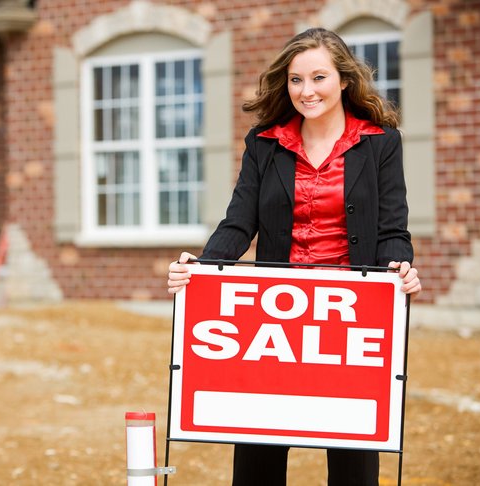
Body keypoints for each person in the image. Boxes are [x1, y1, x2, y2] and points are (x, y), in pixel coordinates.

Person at [167, 28, 421, 486]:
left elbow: (392, 231)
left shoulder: (382, 143)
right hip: (274, 317)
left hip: (348, 319)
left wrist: (399, 268)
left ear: (343, 80)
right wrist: (201, 269)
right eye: (296, 80)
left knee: (353, 458)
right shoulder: (264, 143)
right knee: (258, 452)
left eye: (319, 77)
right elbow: (239, 224)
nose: (307, 91)